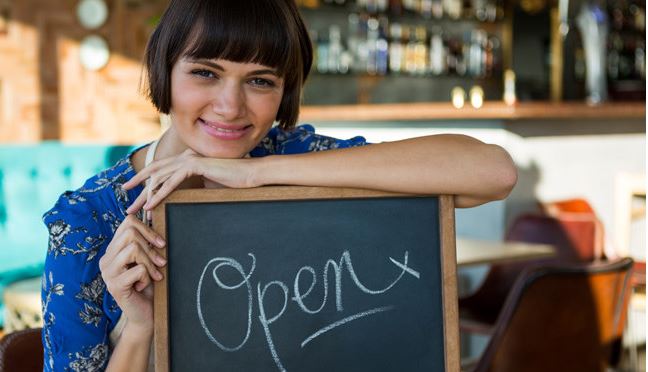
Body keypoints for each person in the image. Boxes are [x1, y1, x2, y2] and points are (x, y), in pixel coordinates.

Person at [40, 0, 517, 370]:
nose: (230, 106)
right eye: (205, 72)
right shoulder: (86, 222)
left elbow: (492, 172)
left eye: (260, 81)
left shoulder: (291, 155)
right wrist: (138, 327)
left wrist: (256, 173)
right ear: (164, 70)